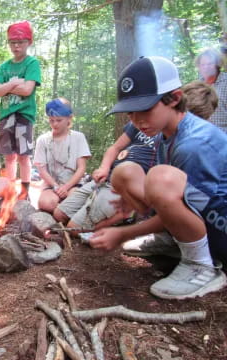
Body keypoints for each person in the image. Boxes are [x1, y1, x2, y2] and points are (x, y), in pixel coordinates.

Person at [90, 55, 227, 300]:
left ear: (174, 98)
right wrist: (129, 199)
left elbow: (189, 206)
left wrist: (122, 233)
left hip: (220, 228)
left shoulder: (194, 143)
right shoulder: (167, 133)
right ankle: (174, 241)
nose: (136, 120)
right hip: (203, 218)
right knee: (125, 172)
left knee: (159, 177)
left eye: (145, 109)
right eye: (131, 113)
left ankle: (201, 265)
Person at [53, 117, 160, 230]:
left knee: (73, 229)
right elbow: (115, 148)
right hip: (106, 179)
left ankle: (123, 215)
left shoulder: (169, 135)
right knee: (59, 214)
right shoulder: (139, 122)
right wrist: (104, 168)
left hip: (124, 189)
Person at [0, 20, 41, 200]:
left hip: (24, 115)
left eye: (20, 42)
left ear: (29, 42)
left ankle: (26, 191)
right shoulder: (5, 66)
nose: (16, 46)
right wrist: (13, 83)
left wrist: (5, 87)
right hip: (6, 115)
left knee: (23, 156)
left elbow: (27, 90)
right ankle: (10, 189)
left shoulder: (32, 63)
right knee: (9, 156)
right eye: (12, 42)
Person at [33, 98, 91, 213]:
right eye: (51, 120)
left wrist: (66, 187)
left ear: (69, 118)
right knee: (46, 203)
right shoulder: (43, 140)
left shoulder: (78, 137)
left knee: (73, 201)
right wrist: (55, 186)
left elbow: (81, 168)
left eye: (59, 120)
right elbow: (41, 169)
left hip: (74, 184)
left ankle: (62, 212)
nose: (54, 124)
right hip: (51, 184)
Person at [195, 48, 227, 131]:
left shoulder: (225, 82)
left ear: (217, 64)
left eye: (210, 64)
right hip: (202, 136)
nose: (206, 67)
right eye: (203, 64)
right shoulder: (197, 85)